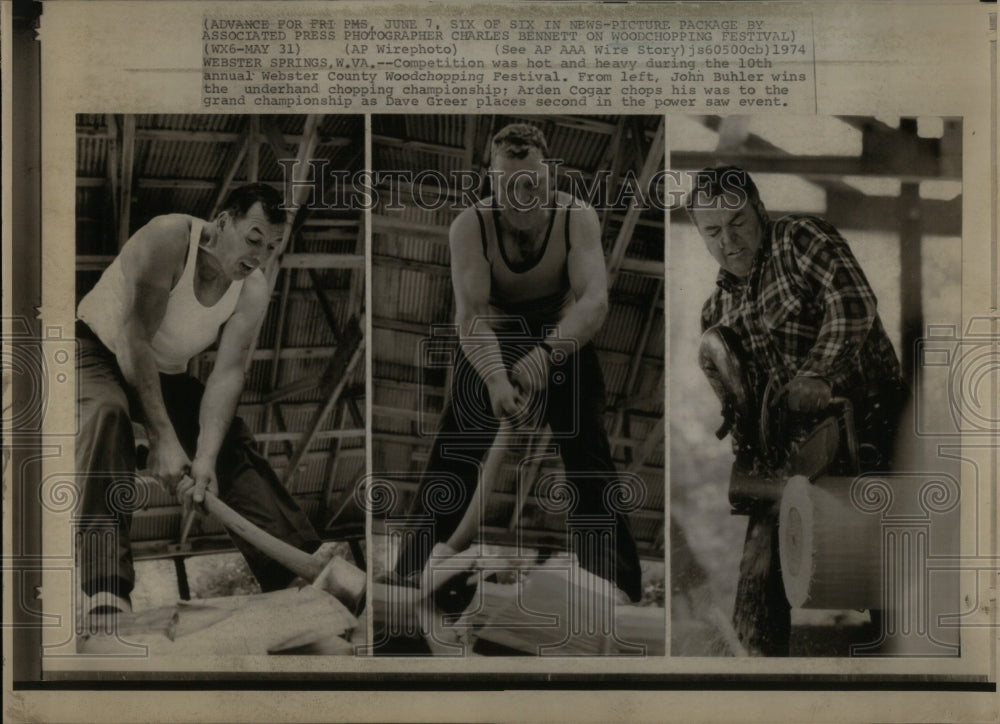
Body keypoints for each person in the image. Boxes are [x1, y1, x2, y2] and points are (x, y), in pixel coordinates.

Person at [393, 123, 643, 604]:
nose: (522, 198)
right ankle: (409, 571)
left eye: (532, 184)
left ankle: (617, 585)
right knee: (453, 450)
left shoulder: (577, 216)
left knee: (589, 452)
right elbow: (468, 318)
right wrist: (492, 375)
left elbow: (594, 303)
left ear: (550, 174)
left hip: (562, 337)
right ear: (492, 178)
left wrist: (546, 356)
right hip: (493, 336)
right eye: (509, 186)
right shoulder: (470, 225)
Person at [688, 166, 908, 655]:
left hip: (875, 416)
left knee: (897, 581)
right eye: (714, 230)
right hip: (799, 448)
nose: (729, 239)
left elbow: (851, 301)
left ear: (759, 211)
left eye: (738, 221)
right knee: (758, 576)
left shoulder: (796, 239)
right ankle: (757, 682)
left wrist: (818, 372)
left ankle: (911, 678)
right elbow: (739, 402)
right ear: (702, 235)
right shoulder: (715, 315)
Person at [75, 182, 321, 616]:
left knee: (232, 444)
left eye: (273, 247)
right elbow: (134, 341)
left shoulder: (253, 289)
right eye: (254, 238)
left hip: (167, 374)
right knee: (107, 416)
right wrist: (164, 438)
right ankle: (106, 588)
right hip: (98, 352)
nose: (259, 256)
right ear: (223, 221)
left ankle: (301, 571)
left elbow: (227, 375)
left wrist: (204, 457)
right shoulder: (168, 237)